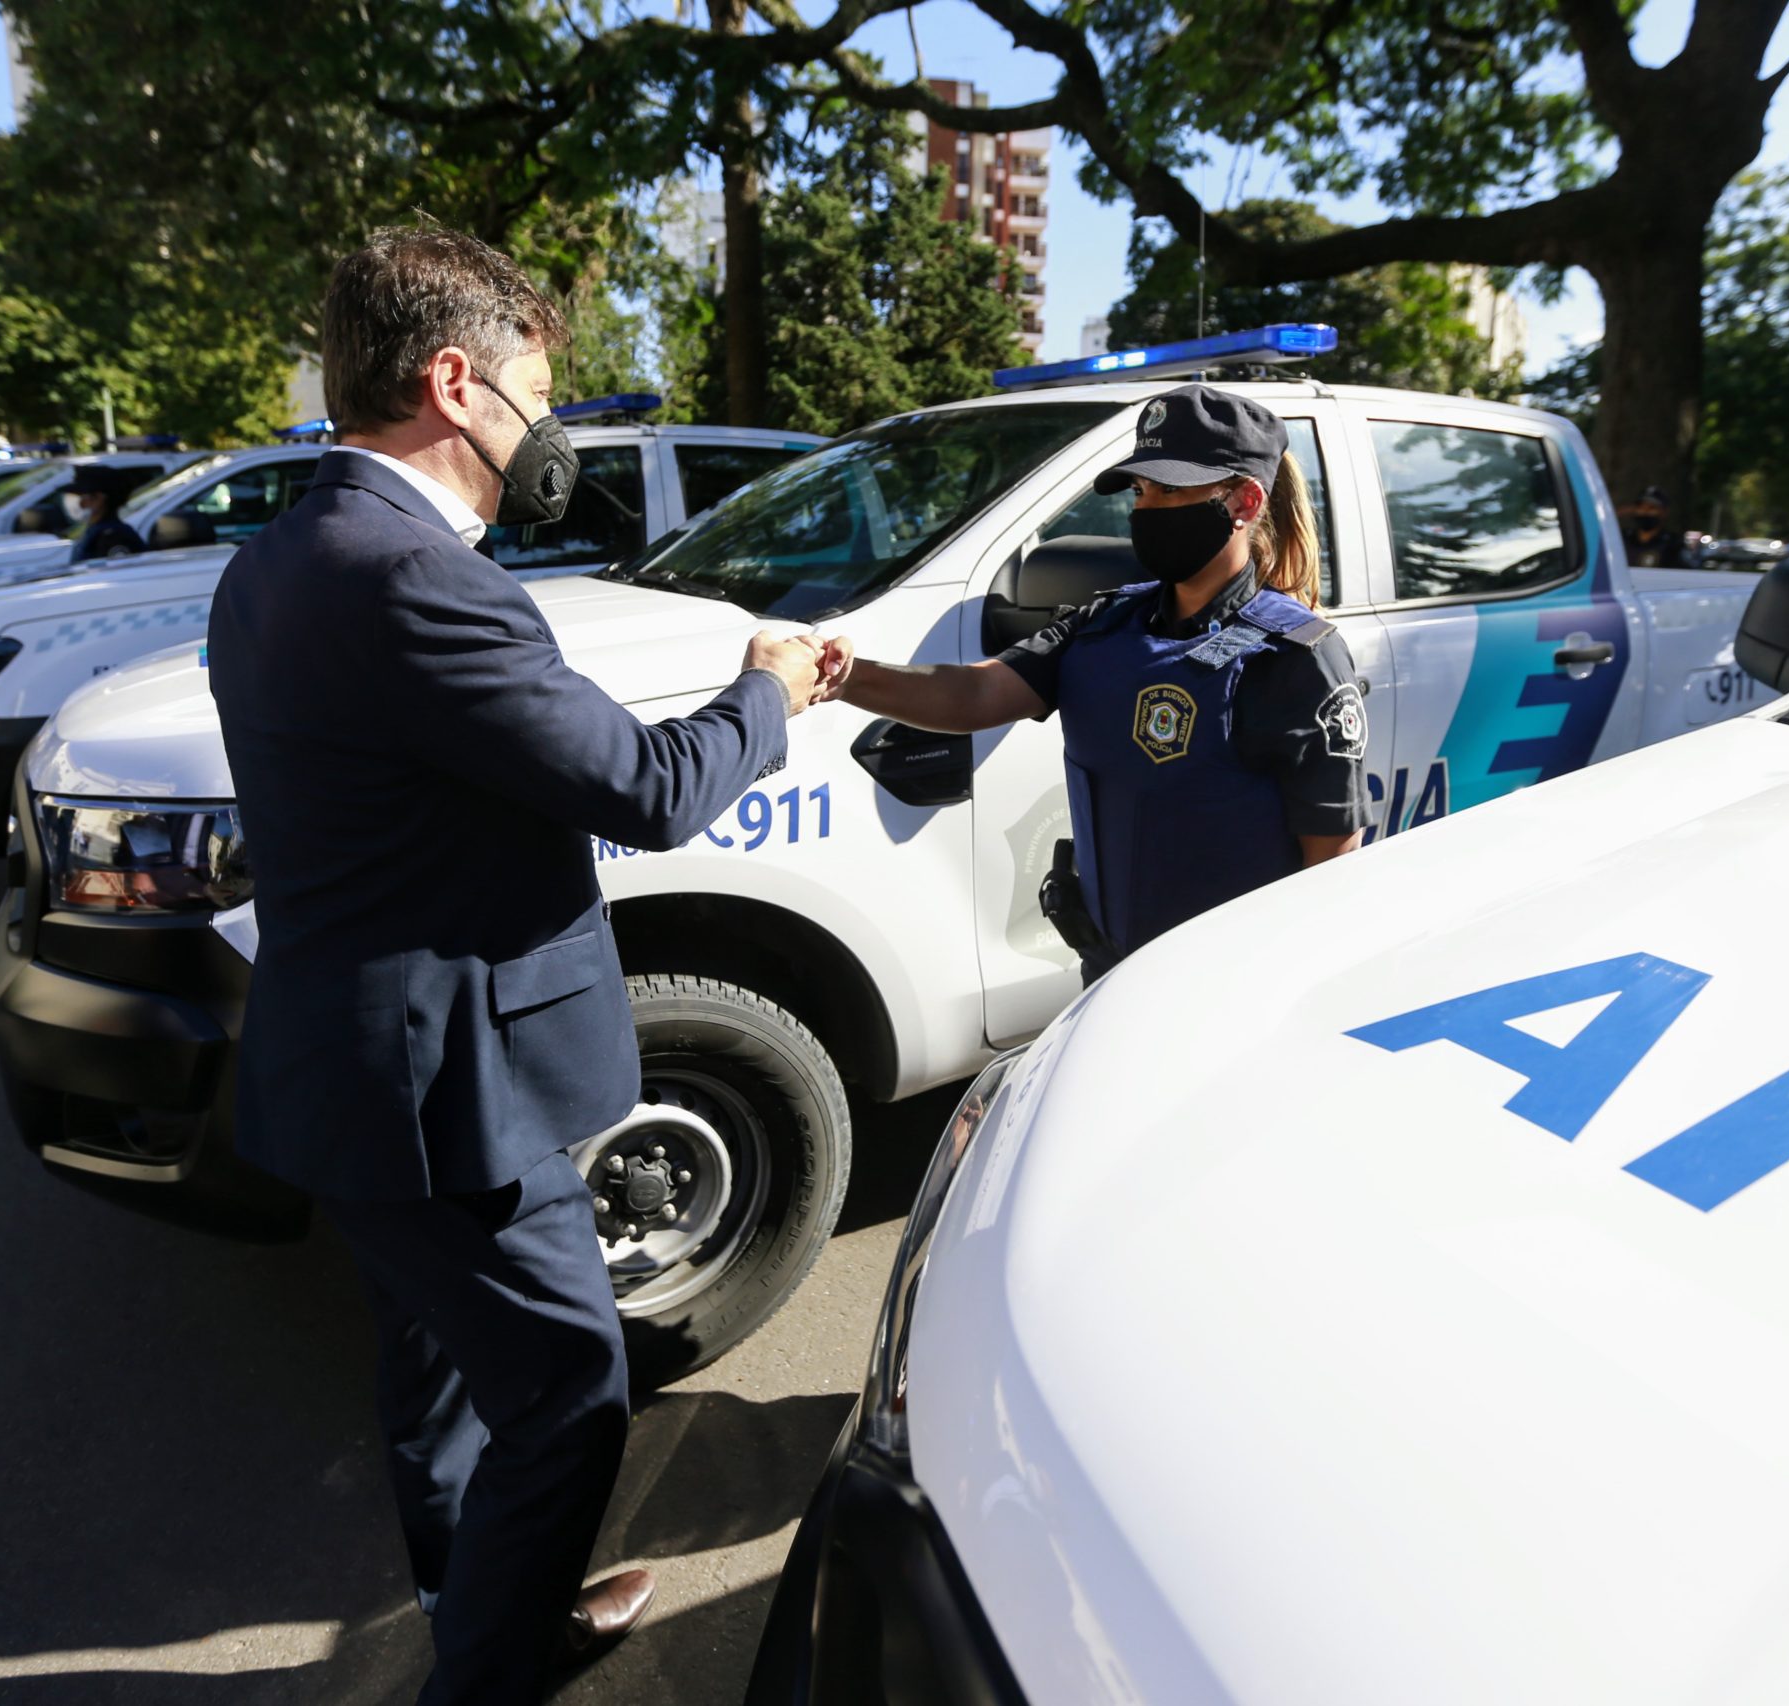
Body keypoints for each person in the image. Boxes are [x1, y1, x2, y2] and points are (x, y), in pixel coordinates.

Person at [206, 226, 828, 1706]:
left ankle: (484, 1598)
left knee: (434, 1376)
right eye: (534, 392)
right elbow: (647, 788)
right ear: (452, 382)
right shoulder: (413, 577)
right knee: (566, 1392)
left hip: (350, 1076)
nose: (549, 431)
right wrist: (768, 687)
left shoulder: (277, 559)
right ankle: (488, 1671)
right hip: (444, 1097)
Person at [819, 382, 1374, 980]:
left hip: (1230, 988)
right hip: (1109, 972)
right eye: (1140, 490)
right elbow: (972, 694)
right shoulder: (1104, 624)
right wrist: (843, 674)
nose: (1145, 509)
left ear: (1242, 502)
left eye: (1168, 489)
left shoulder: (1291, 657)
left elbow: (1330, 863)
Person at [63, 463, 145, 563]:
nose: (81, 503)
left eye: (82, 496)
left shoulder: (114, 538)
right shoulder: (95, 531)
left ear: (99, 499)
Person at [1621, 485, 1687, 568]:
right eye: (1641, 508)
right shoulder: (1623, 538)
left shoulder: (1673, 543)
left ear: (1664, 512)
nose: (1645, 512)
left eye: (1651, 508)